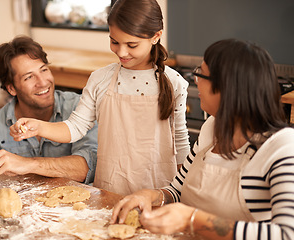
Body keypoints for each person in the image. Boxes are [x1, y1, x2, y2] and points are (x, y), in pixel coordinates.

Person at [110, 39, 294, 239]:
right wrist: (150, 195)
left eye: (200, 74)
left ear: (226, 88)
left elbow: (286, 234)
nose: (195, 81)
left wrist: (193, 219)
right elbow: (177, 191)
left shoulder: (282, 147)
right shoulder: (212, 128)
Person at [10, 0, 190, 196]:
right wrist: (40, 127)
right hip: (111, 189)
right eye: (114, 41)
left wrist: (181, 193)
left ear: (156, 37)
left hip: (158, 192)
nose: (121, 52)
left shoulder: (174, 83)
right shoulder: (100, 79)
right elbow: (76, 127)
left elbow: (180, 141)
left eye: (132, 45)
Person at [0, 36, 98, 184]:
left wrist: (28, 164)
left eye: (44, 70)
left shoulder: (80, 108)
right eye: (29, 77)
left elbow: (88, 169)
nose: (42, 82)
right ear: (12, 88)